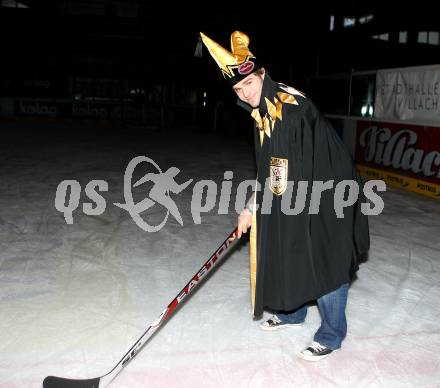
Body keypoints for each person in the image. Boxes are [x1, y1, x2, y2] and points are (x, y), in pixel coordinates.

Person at [200, 31, 370, 361]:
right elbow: (271, 167)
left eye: (248, 83)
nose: (245, 93)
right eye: (238, 89)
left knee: (324, 260)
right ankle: (294, 314)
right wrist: (255, 205)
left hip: (329, 194)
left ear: (262, 73)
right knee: (288, 248)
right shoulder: (265, 108)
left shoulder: (287, 110)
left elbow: (279, 170)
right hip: (298, 187)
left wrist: (254, 205)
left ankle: (332, 334)